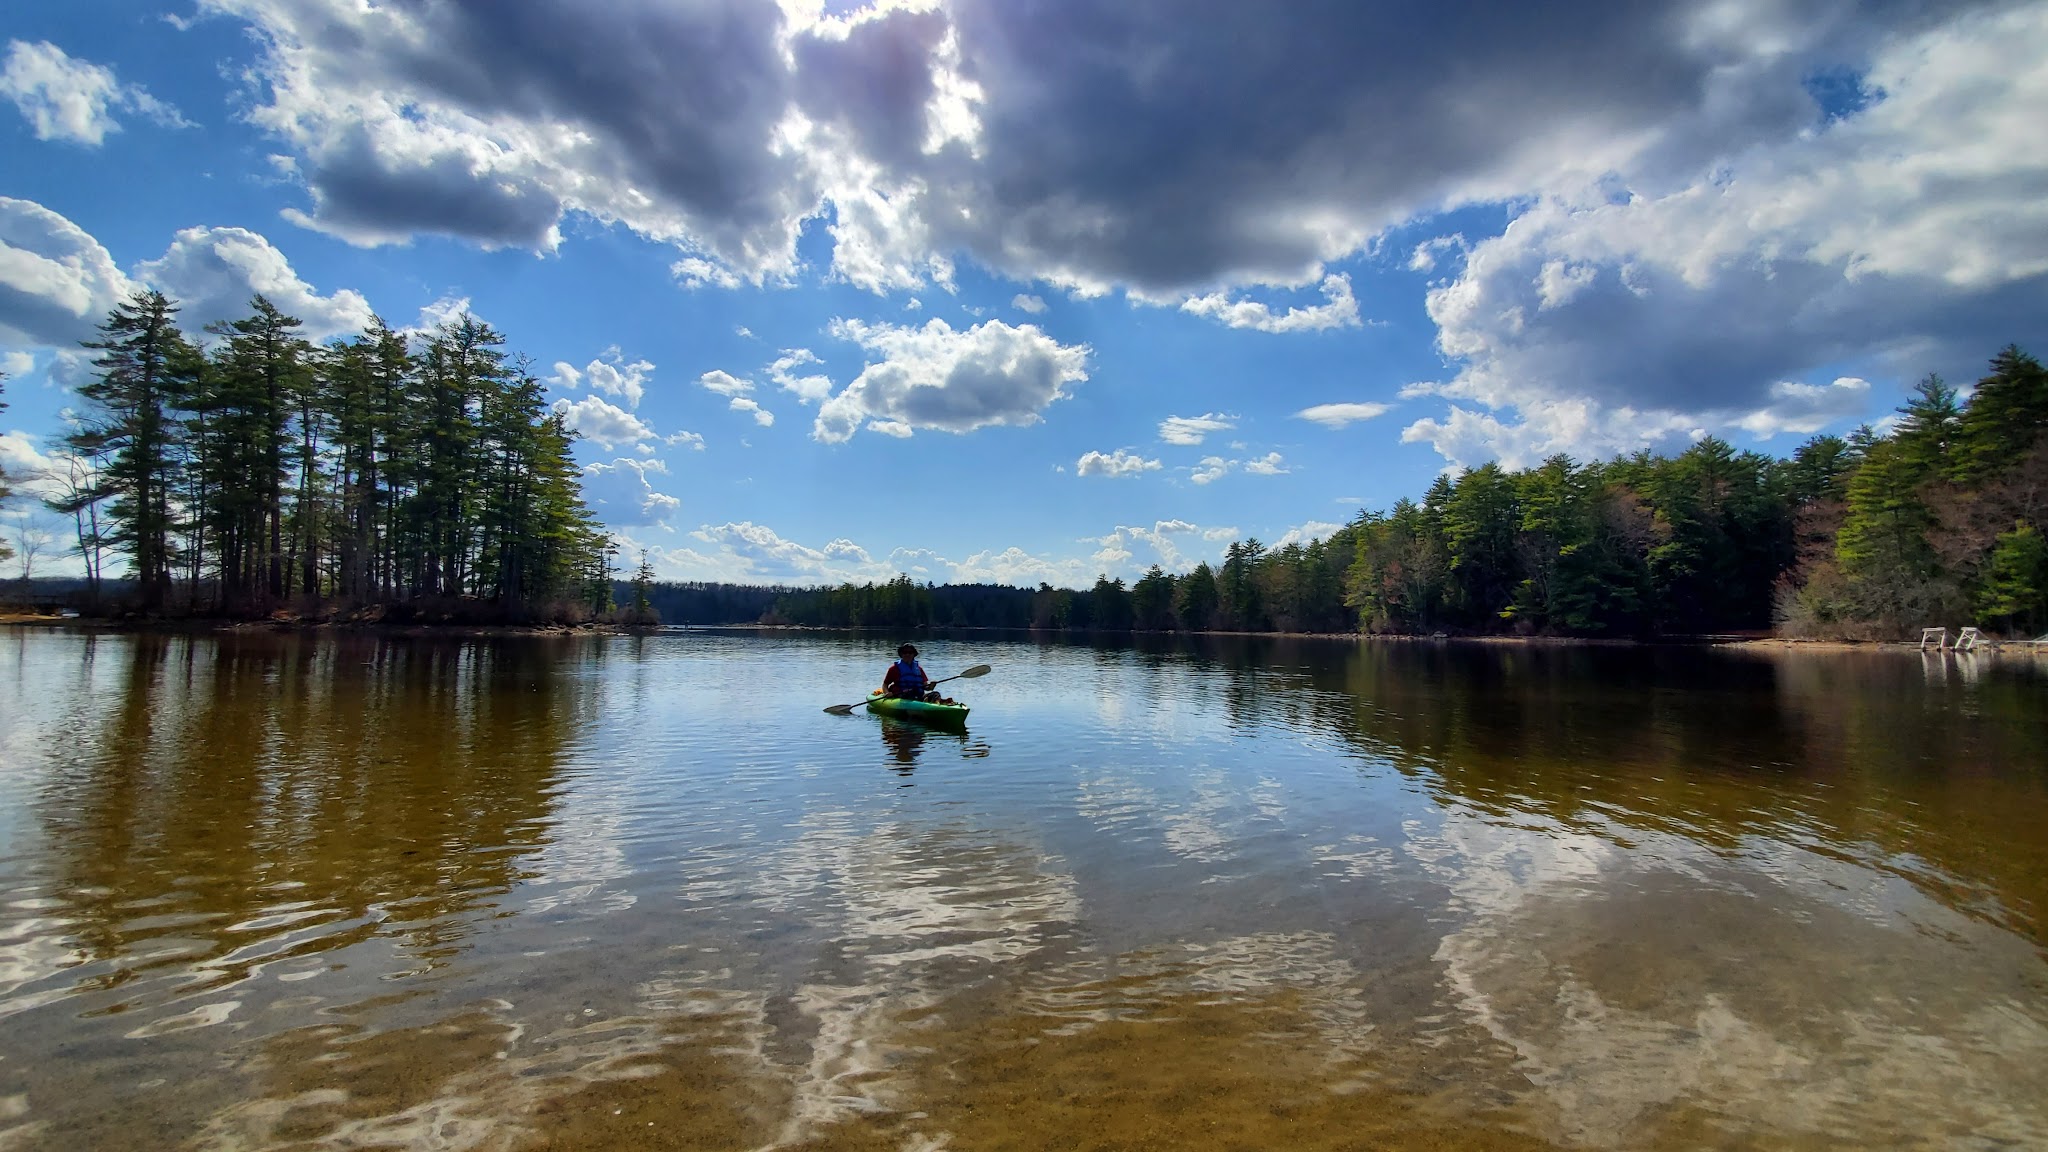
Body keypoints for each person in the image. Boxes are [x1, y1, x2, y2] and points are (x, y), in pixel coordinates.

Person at [883, 643, 951, 703]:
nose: (907, 654)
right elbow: (885, 684)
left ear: (914, 654)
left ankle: (933, 703)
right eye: (905, 652)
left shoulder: (919, 669)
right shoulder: (894, 669)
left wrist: (931, 686)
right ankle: (924, 703)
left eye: (910, 652)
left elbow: (926, 687)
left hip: (919, 695)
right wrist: (887, 693)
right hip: (902, 695)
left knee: (936, 694)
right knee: (908, 694)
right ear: (901, 654)